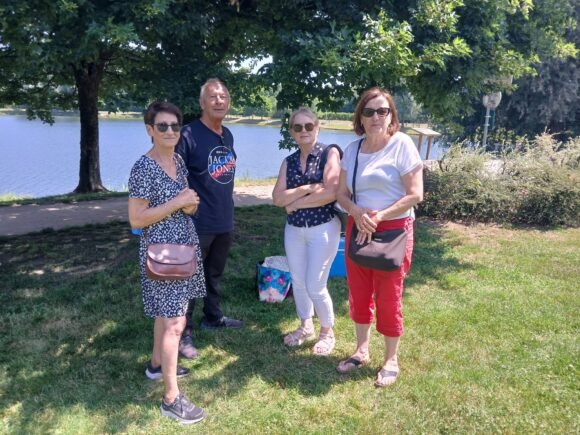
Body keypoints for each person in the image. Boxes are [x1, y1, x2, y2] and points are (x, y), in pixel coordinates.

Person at [335, 87, 423, 387]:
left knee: (388, 296)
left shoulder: (402, 145)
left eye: (382, 111)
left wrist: (378, 216)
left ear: (391, 116)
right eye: (369, 111)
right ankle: (361, 351)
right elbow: (341, 193)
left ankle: (391, 360)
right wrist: (356, 211)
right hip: (358, 227)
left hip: (393, 230)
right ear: (360, 117)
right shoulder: (352, 150)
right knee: (358, 293)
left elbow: (415, 194)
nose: (375, 117)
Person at [128, 101, 206, 424]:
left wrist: (189, 205)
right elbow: (136, 218)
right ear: (150, 130)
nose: (170, 131)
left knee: (166, 314)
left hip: (183, 248)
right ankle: (171, 398)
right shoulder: (143, 168)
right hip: (162, 255)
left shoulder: (177, 160)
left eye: (175, 125)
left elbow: (187, 201)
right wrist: (178, 202)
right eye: (163, 126)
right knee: (176, 323)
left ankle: (157, 364)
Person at [176, 78, 243, 360]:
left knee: (214, 274)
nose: (219, 100)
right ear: (202, 103)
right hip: (197, 222)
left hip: (223, 218)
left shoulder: (227, 135)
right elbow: (175, 174)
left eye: (223, 96)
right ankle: (183, 333)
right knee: (190, 279)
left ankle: (213, 317)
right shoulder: (188, 134)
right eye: (213, 96)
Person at [272, 107, 342, 355]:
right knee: (299, 281)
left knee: (315, 284)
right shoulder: (289, 161)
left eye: (309, 126)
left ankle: (327, 331)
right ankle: (306, 326)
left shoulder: (329, 153)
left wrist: (294, 203)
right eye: (298, 127)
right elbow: (277, 198)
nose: (304, 131)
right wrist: (308, 188)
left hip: (323, 227)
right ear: (292, 132)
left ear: (317, 128)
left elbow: (332, 191)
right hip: (294, 229)